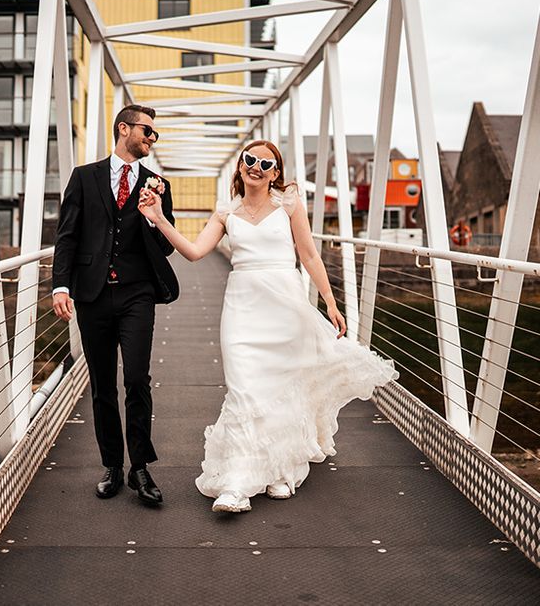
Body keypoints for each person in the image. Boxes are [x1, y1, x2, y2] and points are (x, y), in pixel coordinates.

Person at [138, 140, 397, 513]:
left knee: (281, 388)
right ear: (241, 165)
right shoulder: (226, 212)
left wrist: (329, 300)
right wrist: (159, 218)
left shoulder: (288, 204)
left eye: (265, 163)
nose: (255, 166)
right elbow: (195, 253)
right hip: (242, 307)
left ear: (275, 173)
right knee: (245, 390)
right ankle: (237, 485)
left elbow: (308, 253)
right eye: (250, 159)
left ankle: (281, 470)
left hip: (285, 307)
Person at [52, 104, 179, 506]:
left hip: (137, 293)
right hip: (92, 294)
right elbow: (67, 236)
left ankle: (141, 467)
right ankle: (112, 466)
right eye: (147, 131)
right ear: (123, 128)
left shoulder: (158, 184)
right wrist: (60, 286)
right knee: (102, 384)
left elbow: (166, 246)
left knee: (137, 379)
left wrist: (151, 217)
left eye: (154, 134)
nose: (152, 138)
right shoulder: (84, 177)